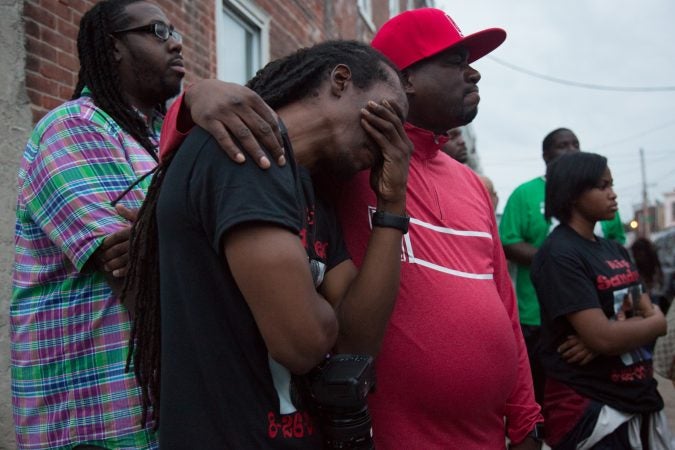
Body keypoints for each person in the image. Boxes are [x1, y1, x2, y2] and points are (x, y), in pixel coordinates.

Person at [159, 8, 543, 449]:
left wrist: (527, 418)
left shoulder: (448, 182)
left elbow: (500, 308)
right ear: (399, 79)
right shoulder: (311, 163)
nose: (473, 74)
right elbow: (310, 340)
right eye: (455, 61)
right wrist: (194, 100)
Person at [10, 1, 284, 448]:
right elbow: (131, 268)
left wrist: (165, 240)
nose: (176, 41)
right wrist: (182, 242)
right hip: (91, 412)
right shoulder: (76, 128)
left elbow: (164, 254)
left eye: (174, 29)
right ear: (114, 47)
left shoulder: (161, 137)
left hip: (154, 407)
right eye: (157, 30)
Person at [121, 40, 412, 448]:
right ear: (341, 80)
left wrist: (392, 203)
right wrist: (320, 308)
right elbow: (303, 342)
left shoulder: (311, 188)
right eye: (392, 115)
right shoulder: (245, 149)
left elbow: (354, 344)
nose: (395, 142)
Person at [531, 151, 671, 449]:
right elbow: (610, 335)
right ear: (573, 193)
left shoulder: (615, 250)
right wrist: (654, 323)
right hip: (592, 407)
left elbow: (629, 316)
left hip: (637, 397)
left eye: (612, 184)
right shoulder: (559, 254)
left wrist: (610, 335)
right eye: (603, 186)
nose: (613, 194)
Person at [499, 127, 625, 404]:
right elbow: (507, 242)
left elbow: (618, 244)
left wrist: (603, 333)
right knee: (542, 401)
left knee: (599, 401)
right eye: (561, 145)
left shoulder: (598, 198)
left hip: (603, 317)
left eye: (575, 144)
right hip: (539, 317)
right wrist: (562, 261)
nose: (570, 150)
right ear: (545, 155)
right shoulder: (524, 194)